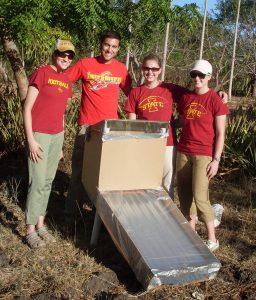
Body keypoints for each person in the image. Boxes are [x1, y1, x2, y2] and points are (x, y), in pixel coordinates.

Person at [65, 31, 132, 219]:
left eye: (113, 46)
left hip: (108, 129)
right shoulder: (85, 64)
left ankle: (99, 214)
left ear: (118, 49)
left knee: (104, 173)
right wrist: (46, 72)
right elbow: (63, 81)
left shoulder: (121, 70)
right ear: (101, 44)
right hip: (86, 127)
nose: (109, 49)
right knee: (79, 170)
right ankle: (71, 213)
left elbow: (133, 96)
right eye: (106, 45)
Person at [23, 39, 75, 248]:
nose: (66, 58)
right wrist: (31, 140)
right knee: (36, 182)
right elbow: (27, 109)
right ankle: (29, 229)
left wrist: (61, 143)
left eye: (70, 55)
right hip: (39, 135)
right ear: (55, 54)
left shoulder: (67, 81)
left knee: (47, 182)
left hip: (56, 136)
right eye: (62, 54)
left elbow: (61, 113)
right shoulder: (42, 73)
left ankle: (41, 224)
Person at [176, 59, 229, 252]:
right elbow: (181, 122)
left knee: (200, 197)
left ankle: (212, 240)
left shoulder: (215, 99)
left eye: (201, 75)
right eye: (193, 75)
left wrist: (216, 160)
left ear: (209, 77)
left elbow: (221, 133)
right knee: (184, 196)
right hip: (183, 151)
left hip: (204, 154)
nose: (196, 78)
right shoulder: (186, 98)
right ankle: (191, 237)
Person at [125, 54, 188, 198]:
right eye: (147, 68)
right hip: (145, 143)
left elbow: (193, 96)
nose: (150, 72)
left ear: (160, 70)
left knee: (167, 183)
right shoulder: (135, 93)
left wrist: (180, 121)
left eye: (154, 69)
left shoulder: (169, 89)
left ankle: (166, 216)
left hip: (168, 143)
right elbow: (131, 124)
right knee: (144, 182)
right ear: (142, 69)